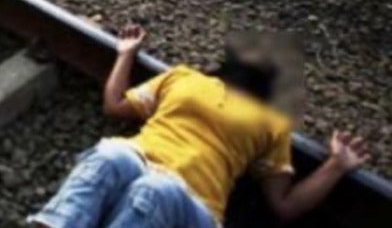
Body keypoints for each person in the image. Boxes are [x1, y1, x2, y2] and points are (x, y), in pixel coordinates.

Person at [28, 24, 371, 228]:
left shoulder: (273, 123)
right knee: (109, 155)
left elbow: (284, 205)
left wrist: (336, 166)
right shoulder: (183, 77)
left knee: (155, 191)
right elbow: (115, 105)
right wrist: (125, 54)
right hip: (139, 158)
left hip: (193, 201)